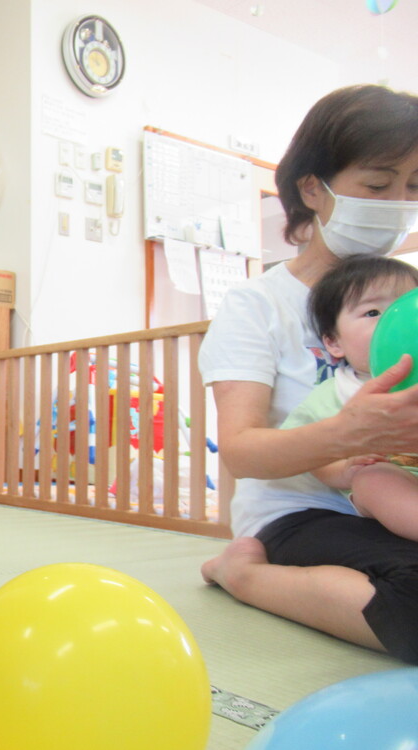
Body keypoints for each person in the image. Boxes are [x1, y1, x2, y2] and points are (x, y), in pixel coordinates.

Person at [198, 84, 418, 664]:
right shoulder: (257, 304)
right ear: (312, 189)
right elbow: (241, 452)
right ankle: (245, 575)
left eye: (414, 186)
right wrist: (353, 434)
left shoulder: (411, 299)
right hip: (299, 513)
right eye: (378, 184)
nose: (399, 201)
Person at [282, 255, 418, 541]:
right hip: (393, 489)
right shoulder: (334, 394)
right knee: (372, 478)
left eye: (408, 308)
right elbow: (307, 454)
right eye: (373, 312)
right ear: (334, 342)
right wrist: (343, 471)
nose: (398, 322)